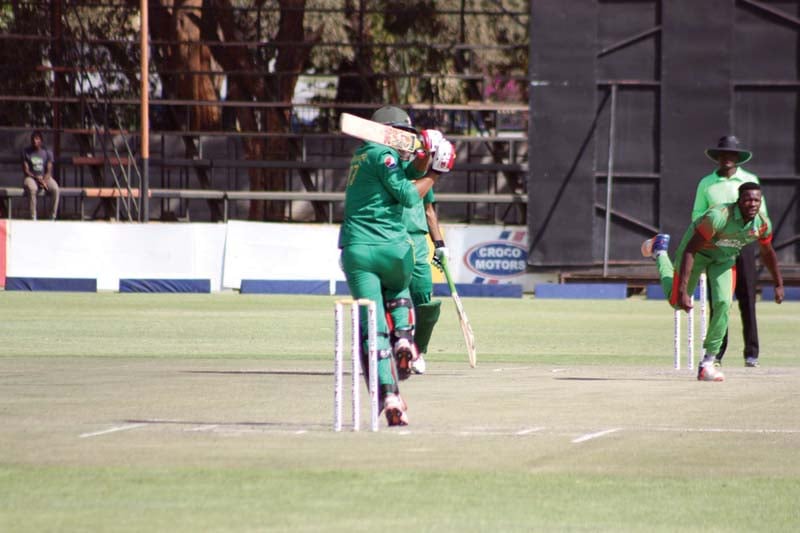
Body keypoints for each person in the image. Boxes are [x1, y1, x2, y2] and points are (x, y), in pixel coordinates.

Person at [338, 106, 454, 426]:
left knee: (372, 331)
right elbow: (407, 193)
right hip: (391, 248)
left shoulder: (363, 154)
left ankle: (390, 395)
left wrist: (425, 156)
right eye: (402, 134)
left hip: (356, 250)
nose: (406, 140)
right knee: (399, 284)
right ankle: (404, 337)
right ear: (389, 131)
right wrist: (436, 172)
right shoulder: (385, 155)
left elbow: (406, 170)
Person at [641, 182, 783, 382]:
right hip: (696, 253)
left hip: (724, 260)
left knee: (724, 303)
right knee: (676, 302)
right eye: (748, 199)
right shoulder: (718, 217)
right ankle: (660, 252)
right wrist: (683, 292)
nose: (752, 204)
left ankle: (708, 361)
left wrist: (778, 283)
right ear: (739, 201)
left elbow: (768, 253)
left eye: (756, 200)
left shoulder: (762, 224)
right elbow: (691, 250)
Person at [692, 135, 763, 367]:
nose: (727, 159)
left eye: (731, 155)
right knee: (720, 300)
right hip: (716, 246)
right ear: (718, 158)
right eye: (723, 155)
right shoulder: (706, 183)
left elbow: (761, 215)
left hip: (743, 243)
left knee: (747, 297)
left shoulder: (749, 180)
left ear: (738, 158)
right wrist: (707, 237)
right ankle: (717, 353)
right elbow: (697, 215)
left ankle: (751, 353)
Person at [402, 130, 455, 375]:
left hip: (418, 241)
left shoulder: (423, 174)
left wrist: (440, 244)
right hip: (392, 239)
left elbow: (429, 211)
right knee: (394, 300)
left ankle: (417, 351)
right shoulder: (391, 166)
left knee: (425, 301)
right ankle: (389, 348)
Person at [22, 130, 60, 220]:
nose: (35, 141)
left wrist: (44, 180)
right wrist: (36, 178)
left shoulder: (47, 152)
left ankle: (52, 216)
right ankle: (33, 217)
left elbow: (49, 170)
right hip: (31, 177)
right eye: (33, 139)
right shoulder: (26, 152)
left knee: (55, 189)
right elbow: (26, 170)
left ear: (41, 141)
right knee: (32, 189)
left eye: (37, 139)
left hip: (45, 177)